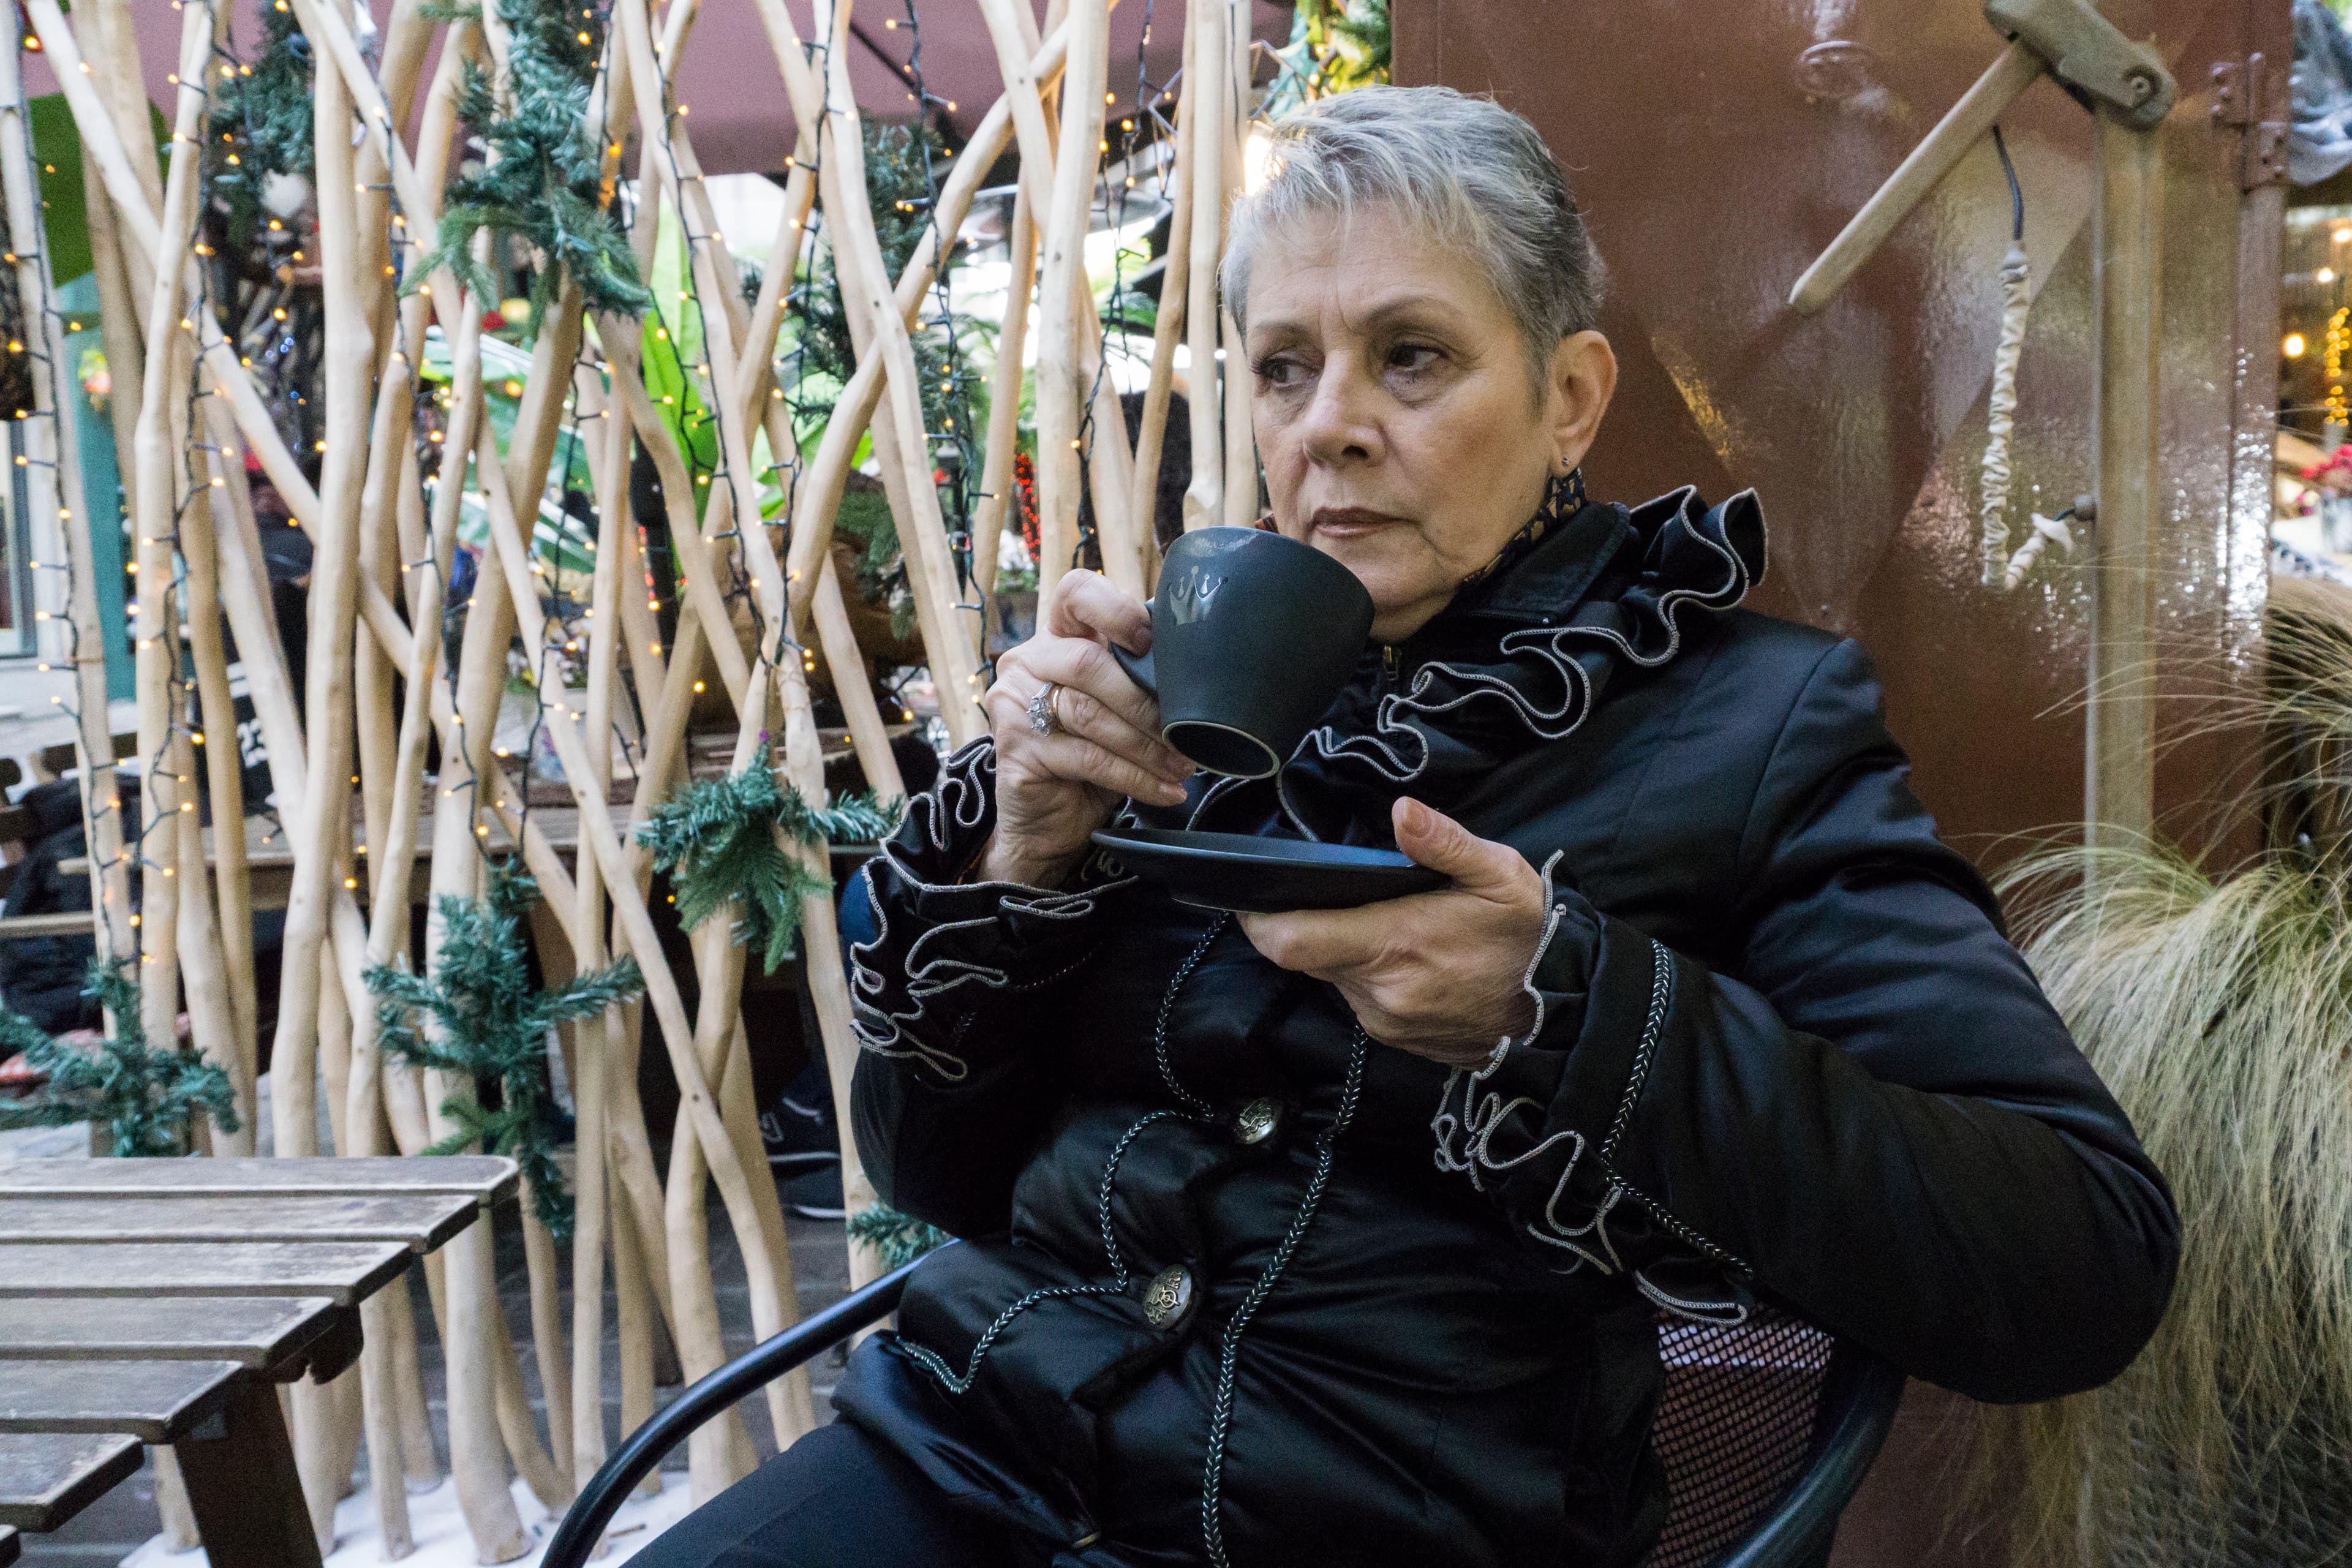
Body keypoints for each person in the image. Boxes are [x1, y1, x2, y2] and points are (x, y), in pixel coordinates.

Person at [639, 86, 2179, 1568]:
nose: (1332, 427)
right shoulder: (1176, 690)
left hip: (1388, 1517)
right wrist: (1020, 851)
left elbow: (2079, 1259)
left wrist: (1559, 1006)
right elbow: (940, 1173)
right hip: (971, 1451)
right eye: (1283, 365)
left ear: (1569, 398)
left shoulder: (1747, 724)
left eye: (1413, 358)